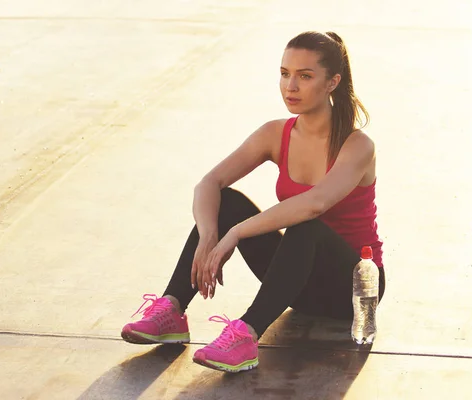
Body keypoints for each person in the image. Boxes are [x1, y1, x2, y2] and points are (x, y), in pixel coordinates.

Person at [121, 31, 386, 373]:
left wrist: (235, 234)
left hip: (352, 291)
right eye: (285, 73)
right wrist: (208, 235)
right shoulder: (276, 134)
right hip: (298, 284)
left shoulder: (357, 145)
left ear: (332, 82)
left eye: (305, 76)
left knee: (306, 227)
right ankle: (172, 309)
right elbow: (209, 183)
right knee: (226, 202)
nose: (291, 86)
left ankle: (246, 334)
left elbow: (314, 204)